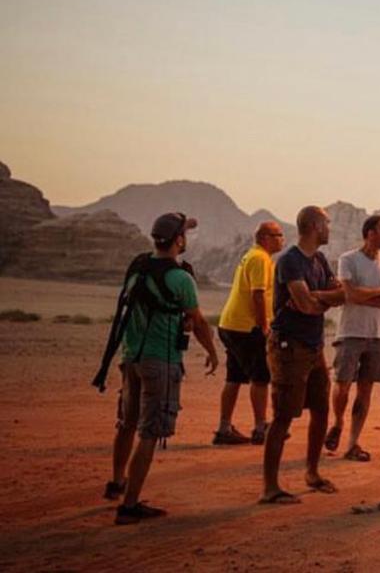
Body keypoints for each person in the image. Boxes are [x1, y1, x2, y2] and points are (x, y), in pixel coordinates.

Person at [107, 213, 219, 525]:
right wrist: (212, 351)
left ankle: (117, 483)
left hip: (131, 359)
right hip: (161, 361)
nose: (187, 239)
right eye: (185, 234)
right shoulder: (180, 279)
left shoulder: (137, 270)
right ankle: (129, 506)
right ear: (178, 240)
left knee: (127, 423)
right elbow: (196, 321)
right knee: (150, 431)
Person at [260, 206, 347, 504]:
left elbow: (340, 295)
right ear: (313, 226)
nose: (329, 228)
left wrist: (317, 297)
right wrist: (319, 300)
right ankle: (270, 487)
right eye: (326, 223)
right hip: (289, 348)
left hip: (313, 347)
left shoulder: (319, 260)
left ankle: (312, 472)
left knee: (321, 409)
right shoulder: (289, 262)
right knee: (283, 415)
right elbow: (306, 304)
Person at [326, 214, 380, 462]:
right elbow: (351, 295)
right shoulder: (348, 259)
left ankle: (353, 442)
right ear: (370, 233)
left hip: (379, 335)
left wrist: (365, 294)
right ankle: (337, 422)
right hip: (350, 332)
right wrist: (379, 291)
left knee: (365, 390)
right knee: (343, 383)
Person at [215, 220, 286, 445]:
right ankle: (260, 427)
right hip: (247, 327)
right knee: (260, 377)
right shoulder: (260, 259)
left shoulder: (253, 255)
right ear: (265, 238)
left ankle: (224, 428)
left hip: (231, 324)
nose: (282, 239)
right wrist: (263, 325)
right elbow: (257, 294)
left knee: (234, 376)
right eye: (278, 235)